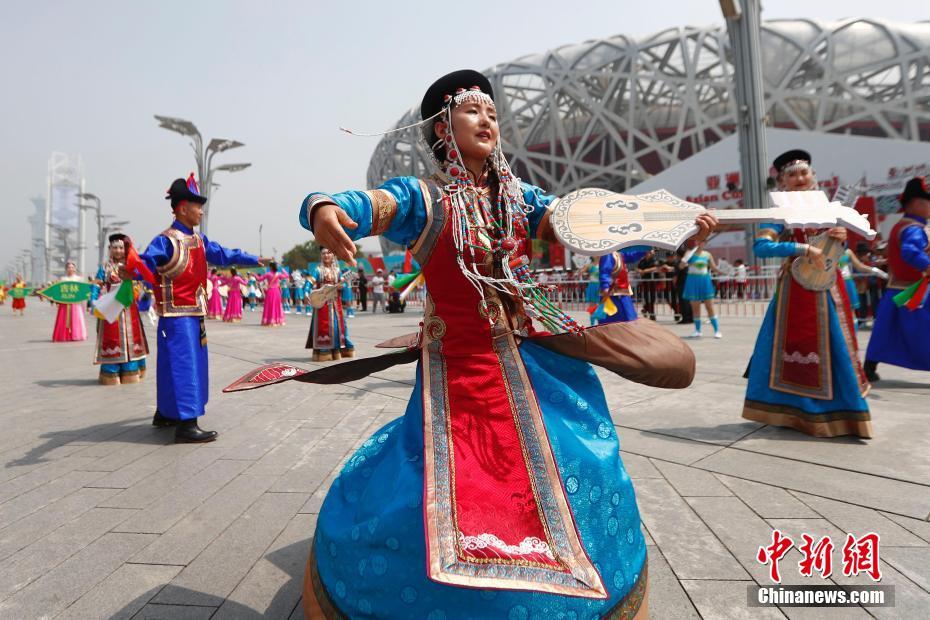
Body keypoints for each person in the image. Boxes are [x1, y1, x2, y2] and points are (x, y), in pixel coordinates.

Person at [297, 69, 716, 619]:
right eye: (473, 111)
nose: (487, 120)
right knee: (441, 494)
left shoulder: (521, 199)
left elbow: (595, 231)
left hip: (535, 359)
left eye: (493, 113)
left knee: (582, 462)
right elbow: (367, 203)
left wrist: (678, 228)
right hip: (460, 373)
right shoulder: (422, 197)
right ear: (443, 127)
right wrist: (323, 208)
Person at [742, 150, 870, 438]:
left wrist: (840, 237)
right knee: (799, 346)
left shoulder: (830, 208)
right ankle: (799, 411)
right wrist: (802, 248)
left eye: (804, 172)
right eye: (792, 174)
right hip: (796, 291)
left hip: (832, 285)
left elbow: (840, 247)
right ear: (782, 183)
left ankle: (847, 412)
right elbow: (761, 248)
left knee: (839, 345)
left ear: (813, 176)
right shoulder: (779, 213)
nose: (799, 178)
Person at [135, 174, 263, 443]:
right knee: (184, 366)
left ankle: (167, 413)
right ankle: (186, 423)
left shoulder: (199, 240)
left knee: (174, 365)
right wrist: (133, 270)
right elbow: (145, 264)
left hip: (193, 313)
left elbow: (224, 254)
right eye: (197, 205)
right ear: (183, 208)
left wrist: (253, 258)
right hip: (176, 316)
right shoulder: (166, 241)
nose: (201, 210)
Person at [864, 176, 930, 381]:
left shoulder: (900, 226)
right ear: (917, 203)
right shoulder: (913, 229)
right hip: (913, 293)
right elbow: (910, 251)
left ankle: (869, 366)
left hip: (897, 289)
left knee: (884, 329)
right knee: (922, 331)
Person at [94, 234, 149, 384]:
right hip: (111, 309)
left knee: (132, 338)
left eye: (121, 247)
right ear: (110, 249)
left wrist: (138, 292)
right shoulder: (105, 267)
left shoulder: (131, 265)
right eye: (115, 247)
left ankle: (130, 369)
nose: (118, 250)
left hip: (128, 308)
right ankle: (110, 371)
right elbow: (97, 285)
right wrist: (93, 300)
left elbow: (140, 284)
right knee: (112, 339)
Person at [306, 248, 354, 361]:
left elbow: (345, 285)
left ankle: (337, 349)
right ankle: (324, 350)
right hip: (322, 303)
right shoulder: (317, 270)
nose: (326, 255)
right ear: (321, 256)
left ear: (333, 255)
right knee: (323, 327)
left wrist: (343, 287)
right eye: (323, 253)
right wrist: (306, 292)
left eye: (329, 253)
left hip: (336, 303)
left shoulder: (337, 270)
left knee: (339, 326)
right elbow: (309, 283)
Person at [682, 242, 722, 338]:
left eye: (701, 241)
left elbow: (713, 268)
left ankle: (717, 331)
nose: (699, 243)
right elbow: (681, 266)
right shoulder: (689, 253)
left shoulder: (707, 254)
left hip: (705, 281)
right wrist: (685, 259)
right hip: (692, 281)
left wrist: (726, 271)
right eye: (697, 241)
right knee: (696, 308)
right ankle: (698, 330)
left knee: (710, 307)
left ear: (704, 243)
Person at [594, 250, 637, 324]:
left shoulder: (619, 254)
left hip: (622, 294)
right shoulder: (608, 254)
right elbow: (605, 270)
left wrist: (644, 250)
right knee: (614, 322)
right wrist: (605, 286)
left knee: (628, 319)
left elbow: (631, 256)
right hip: (613, 294)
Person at [51, 261, 88, 342]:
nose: (70, 269)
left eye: (72, 267)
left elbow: (83, 291)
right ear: (66, 269)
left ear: (75, 269)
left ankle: (76, 334)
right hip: (65, 303)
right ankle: (64, 335)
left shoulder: (79, 279)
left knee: (76, 318)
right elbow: (58, 291)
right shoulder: (63, 279)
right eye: (69, 267)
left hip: (75, 303)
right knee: (63, 319)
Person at [259, 262, 288, 326]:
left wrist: (254, 275)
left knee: (269, 305)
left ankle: (269, 320)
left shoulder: (268, 274)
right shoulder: (279, 274)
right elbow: (287, 276)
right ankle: (277, 320)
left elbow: (259, 279)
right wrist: (283, 270)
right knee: (276, 305)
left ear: (271, 267)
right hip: (277, 292)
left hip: (270, 291)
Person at [636, 249, 661, 320]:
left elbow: (656, 267)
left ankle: (646, 310)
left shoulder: (654, 260)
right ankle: (651, 314)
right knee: (647, 298)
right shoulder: (642, 261)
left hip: (653, 282)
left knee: (652, 298)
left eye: (650, 252)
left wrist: (645, 271)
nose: (649, 254)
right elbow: (637, 268)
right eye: (648, 252)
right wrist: (639, 270)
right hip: (645, 282)